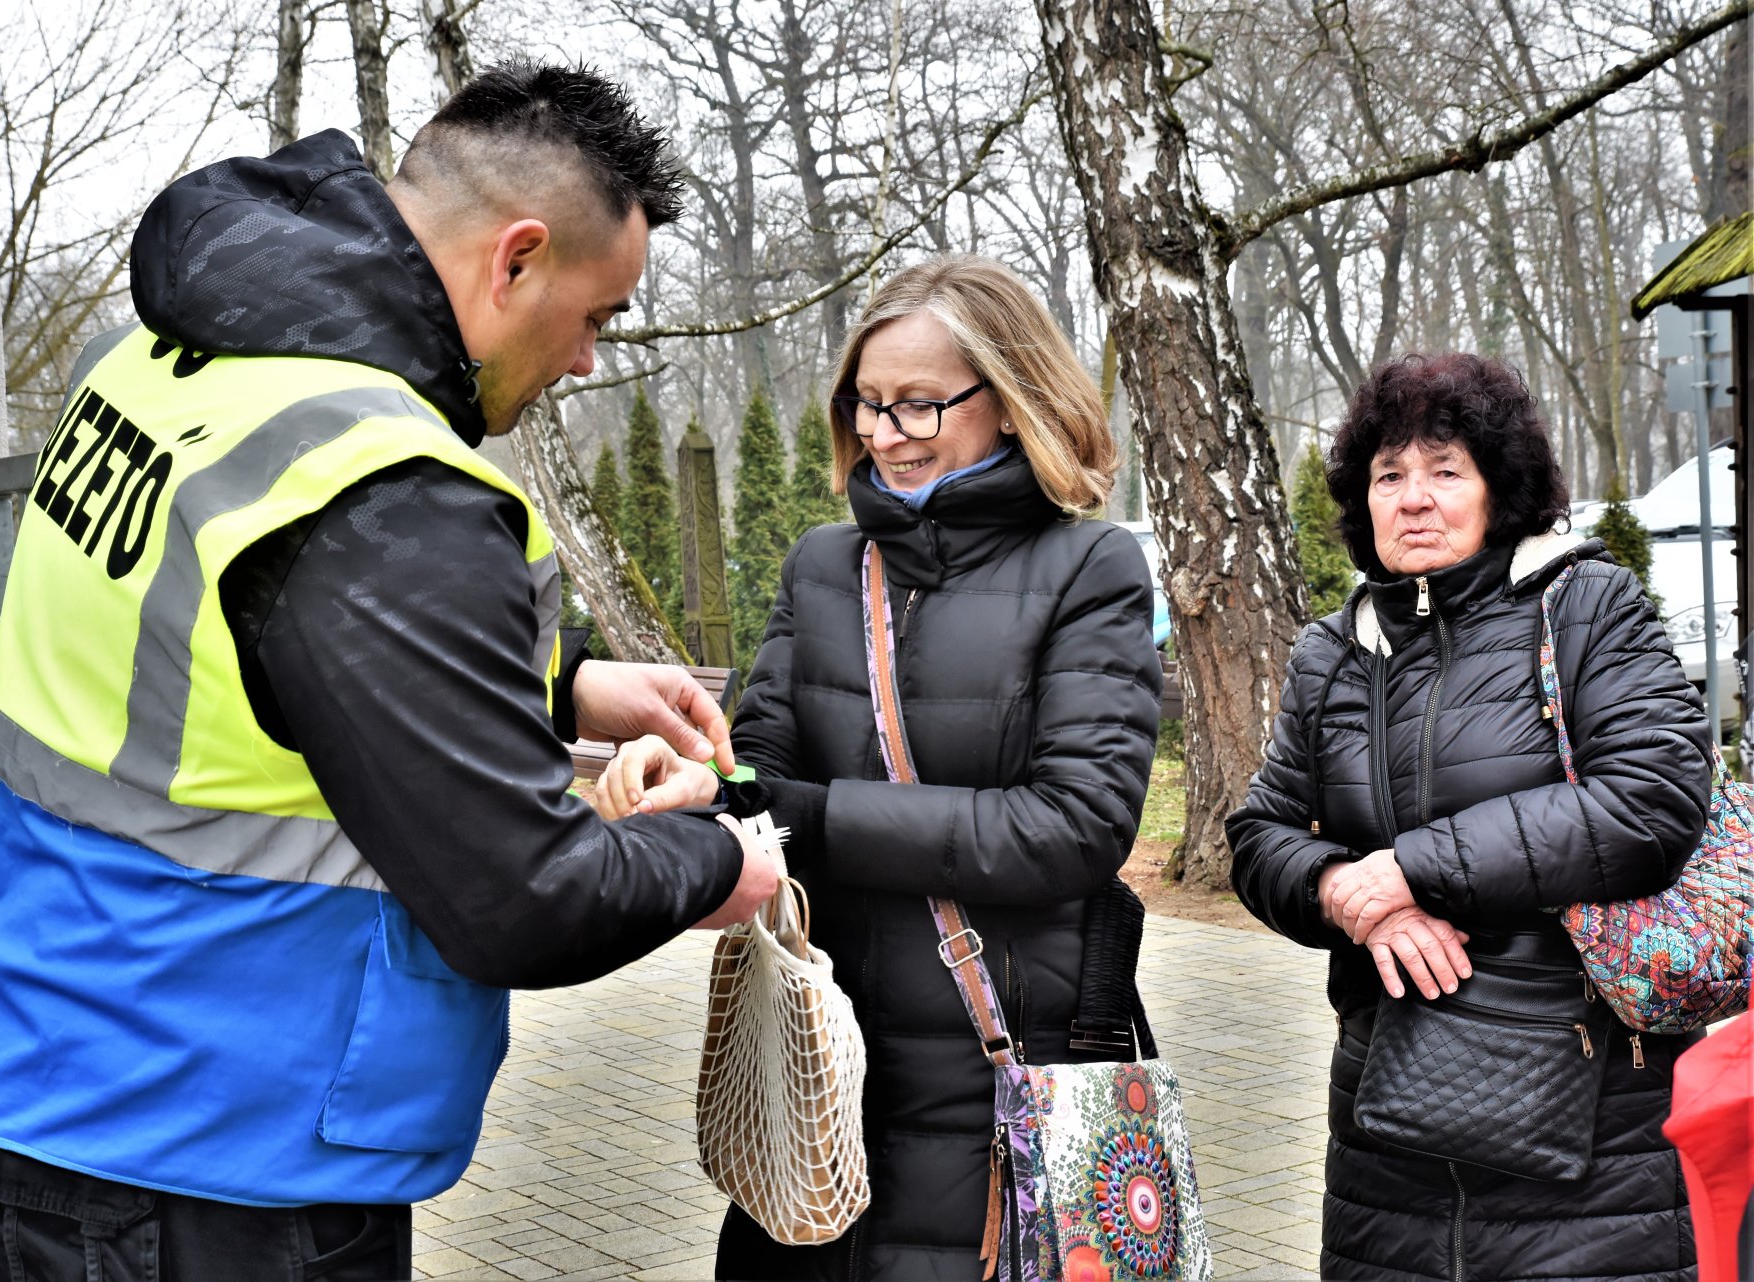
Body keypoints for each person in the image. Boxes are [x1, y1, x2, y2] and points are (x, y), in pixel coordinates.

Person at [0, 62, 777, 1279]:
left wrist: (566, 683)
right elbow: (521, 897)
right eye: (598, 314)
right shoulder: (377, 484)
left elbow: (233, 632)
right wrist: (718, 860)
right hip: (179, 1162)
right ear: (514, 258)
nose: (583, 362)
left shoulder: (169, 352)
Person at [597, 255, 1163, 1280]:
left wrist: (803, 813)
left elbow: (1075, 827)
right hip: (818, 1068)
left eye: (917, 404)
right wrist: (688, 780)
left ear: (1013, 396)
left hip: (1000, 1074)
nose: (882, 433)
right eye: (865, 403)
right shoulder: (824, 564)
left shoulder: (1093, 566)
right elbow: (757, 774)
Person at [1227, 353, 1713, 1281]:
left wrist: (1411, 866)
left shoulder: (1585, 607)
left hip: (1593, 1148)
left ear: (1499, 489)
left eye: (1445, 470)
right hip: (1386, 1143)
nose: (1414, 498)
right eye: (1389, 475)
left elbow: (1651, 797)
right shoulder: (1333, 650)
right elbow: (1260, 834)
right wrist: (1344, 891)